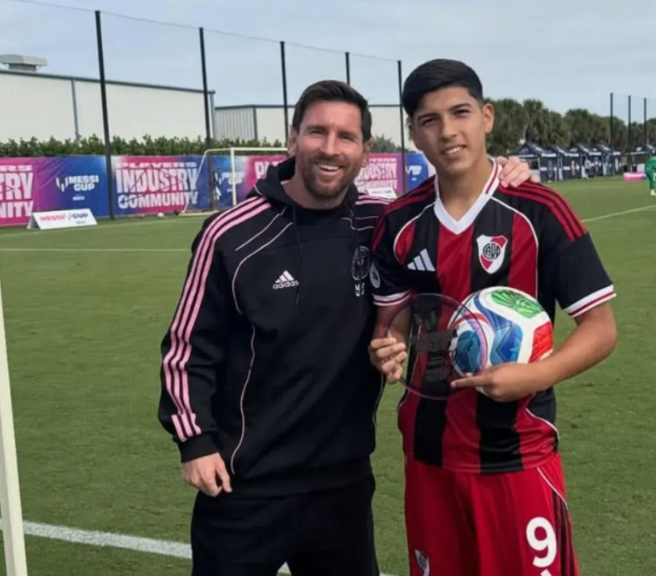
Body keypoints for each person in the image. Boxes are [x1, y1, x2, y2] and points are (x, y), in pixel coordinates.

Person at [156, 79, 537, 576]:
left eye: (346, 136)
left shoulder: (380, 222)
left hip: (343, 486)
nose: (330, 148)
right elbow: (186, 349)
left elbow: (453, 225)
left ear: (365, 151)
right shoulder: (231, 234)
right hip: (244, 484)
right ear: (292, 140)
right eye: (317, 132)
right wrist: (196, 443)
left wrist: (506, 172)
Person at [368, 59, 619, 576]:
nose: (448, 131)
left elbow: (601, 327)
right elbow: (391, 323)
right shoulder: (398, 223)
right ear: (414, 133)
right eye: (429, 119)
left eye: (460, 112)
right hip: (428, 454)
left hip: (516, 455)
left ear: (487, 117)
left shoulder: (540, 210)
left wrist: (538, 374)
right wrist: (387, 345)